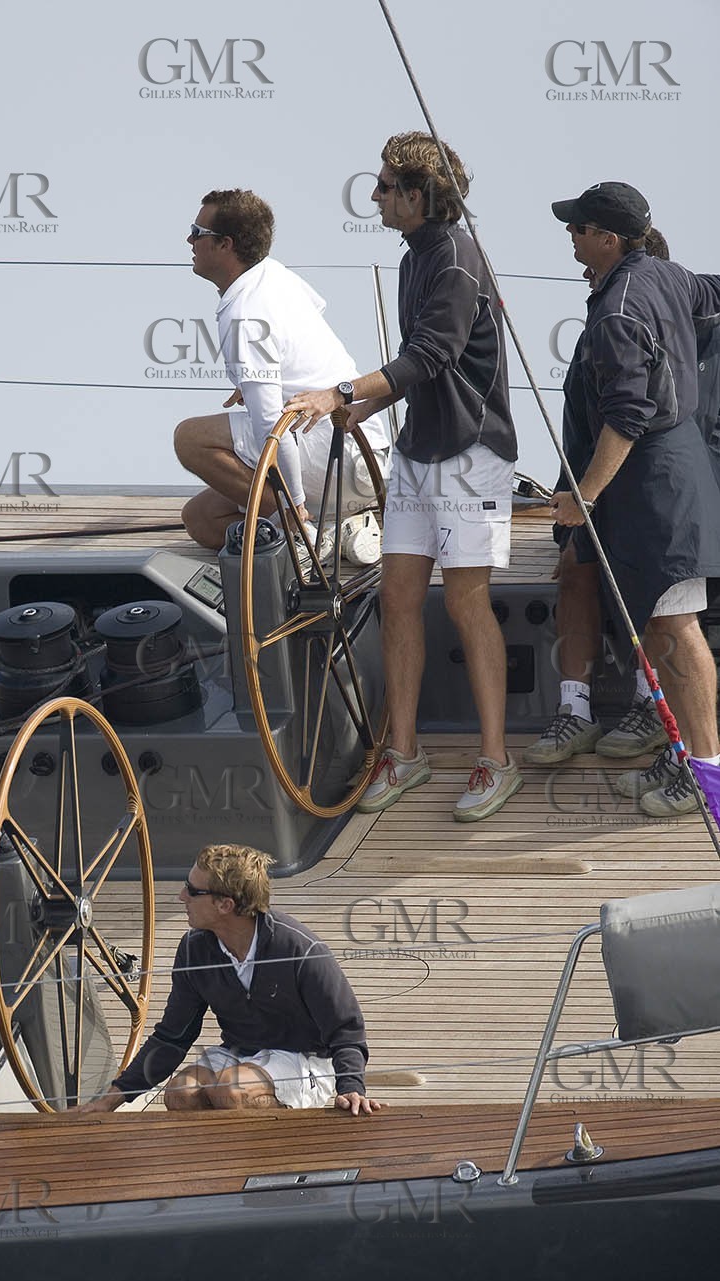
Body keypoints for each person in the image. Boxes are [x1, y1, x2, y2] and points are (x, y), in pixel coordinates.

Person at [289, 132, 520, 823]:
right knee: (396, 597)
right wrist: (360, 406)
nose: (374, 195)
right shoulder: (414, 255)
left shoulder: (455, 257)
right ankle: (405, 752)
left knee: (466, 602)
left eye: (386, 186)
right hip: (419, 451)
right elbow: (415, 364)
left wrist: (341, 391)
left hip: (472, 453)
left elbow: (432, 354)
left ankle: (495, 759)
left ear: (418, 196)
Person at [535, 183, 720, 815]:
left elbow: (627, 416)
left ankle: (708, 778)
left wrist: (581, 498)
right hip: (670, 473)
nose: (571, 236)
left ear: (608, 239)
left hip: (657, 484)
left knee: (675, 626)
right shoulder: (669, 276)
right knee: (662, 625)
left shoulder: (617, 309)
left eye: (578, 228)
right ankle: (687, 759)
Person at [74, 843, 379, 1117]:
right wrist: (111, 1100)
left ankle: (278, 1149)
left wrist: (351, 1087)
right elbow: (172, 1036)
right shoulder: (194, 950)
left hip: (305, 1059)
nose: (182, 896)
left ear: (225, 905)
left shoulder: (300, 950)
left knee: (232, 1091)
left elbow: (346, 1030)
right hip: (240, 1053)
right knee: (180, 1094)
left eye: (192, 891)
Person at [174, 188, 389, 555]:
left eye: (197, 232)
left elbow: (269, 426)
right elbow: (314, 312)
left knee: (189, 438)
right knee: (201, 519)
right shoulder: (273, 273)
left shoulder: (246, 315)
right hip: (366, 460)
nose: (189, 240)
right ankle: (340, 530)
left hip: (331, 457)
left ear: (225, 244)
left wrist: (293, 505)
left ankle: (301, 531)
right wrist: (263, 373)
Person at [528, 227, 673, 770]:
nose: (587, 274)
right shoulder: (601, 327)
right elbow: (583, 428)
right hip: (593, 491)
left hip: (654, 494)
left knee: (652, 582)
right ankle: (575, 710)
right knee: (575, 568)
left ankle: (648, 703)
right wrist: (574, 503)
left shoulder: (662, 330)